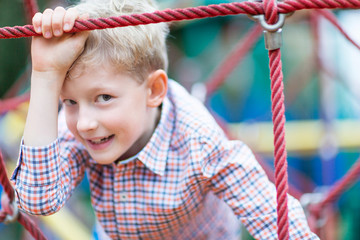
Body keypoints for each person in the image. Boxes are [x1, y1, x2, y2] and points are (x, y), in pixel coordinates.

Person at [11, 0, 319, 239]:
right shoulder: (78, 128)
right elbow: (38, 200)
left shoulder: (197, 141)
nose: (84, 123)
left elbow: (267, 210)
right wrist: (45, 75)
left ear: (154, 90)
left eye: (103, 98)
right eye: (69, 101)